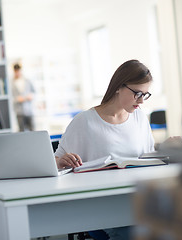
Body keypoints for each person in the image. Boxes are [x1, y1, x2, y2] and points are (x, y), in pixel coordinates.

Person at [54, 59, 155, 240]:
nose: (141, 101)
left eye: (145, 95)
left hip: (135, 201)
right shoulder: (84, 121)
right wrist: (61, 162)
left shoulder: (140, 118)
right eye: (137, 93)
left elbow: (149, 158)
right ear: (118, 86)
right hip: (100, 206)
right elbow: (53, 163)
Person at [11, 63, 35, 131]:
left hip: (29, 110)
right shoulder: (11, 82)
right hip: (19, 111)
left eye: (18, 71)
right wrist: (17, 99)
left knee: (32, 129)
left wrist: (31, 96)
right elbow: (11, 97)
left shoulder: (27, 80)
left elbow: (34, 92)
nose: (17, 73)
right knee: (21, 130)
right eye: (16, 71)